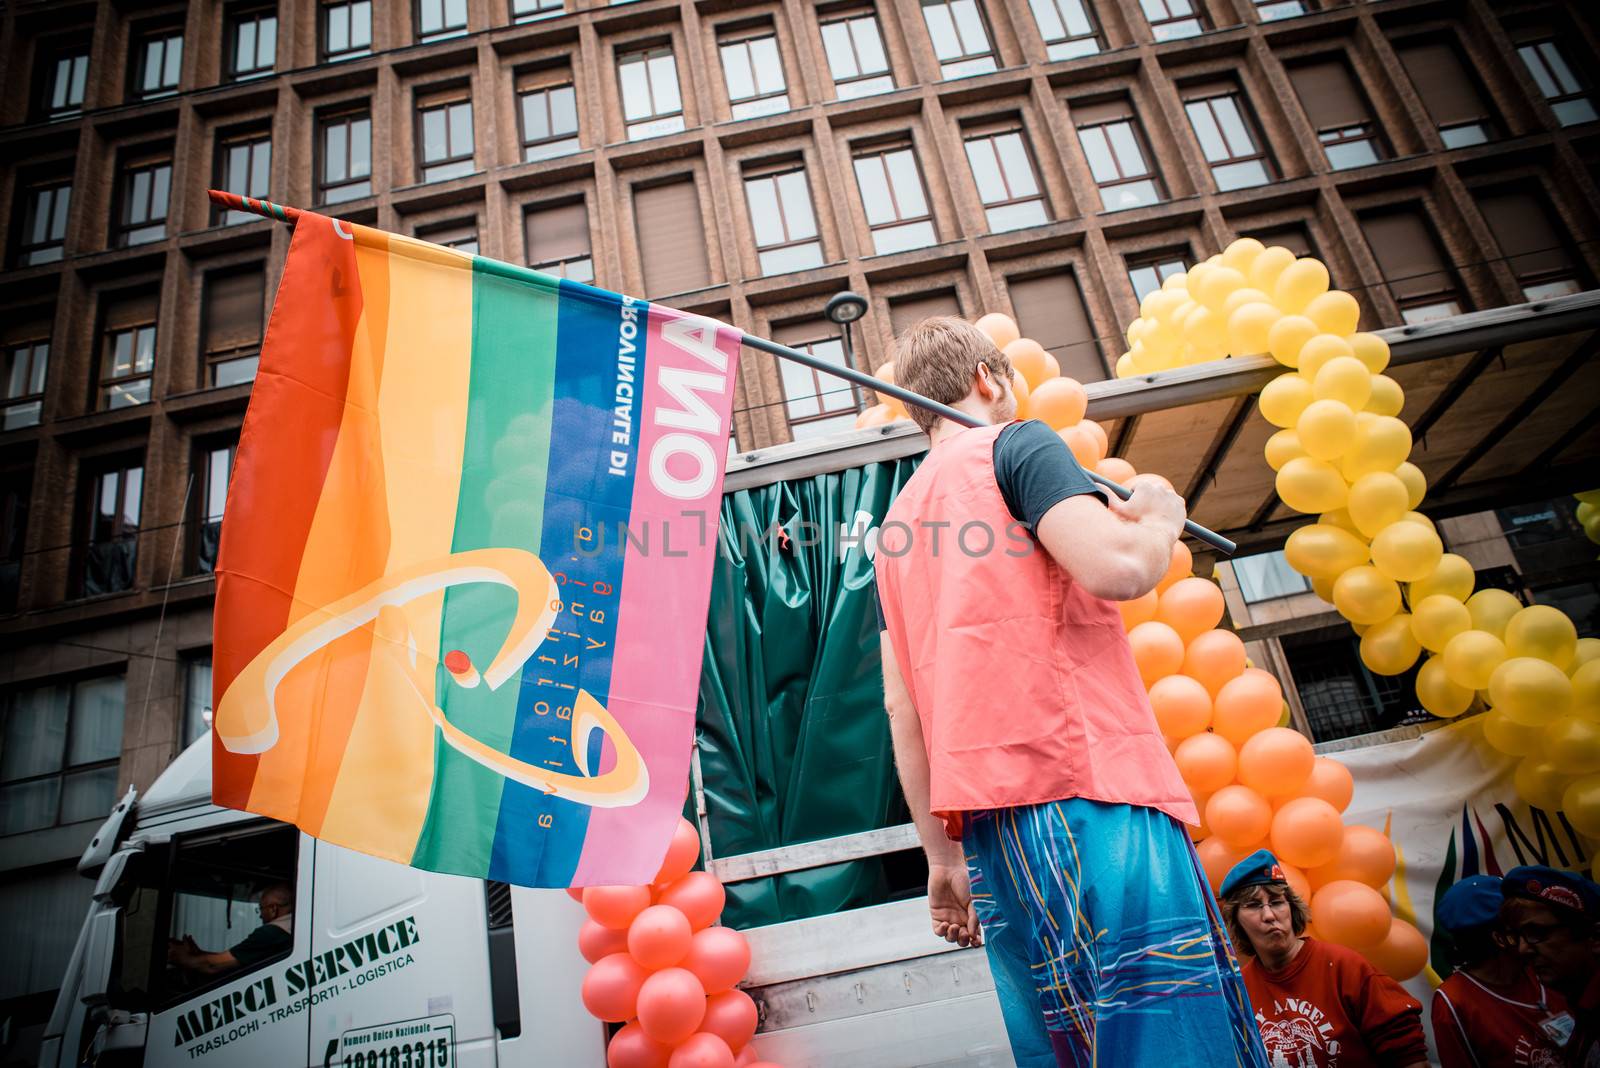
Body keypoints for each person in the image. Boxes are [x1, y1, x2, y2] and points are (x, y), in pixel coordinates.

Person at [873, 317, 1268, 1067]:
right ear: (991, 381)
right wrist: (1160, 517)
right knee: (1169, 1038)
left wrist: (943, 860)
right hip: (1091, 792)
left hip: (995, 843)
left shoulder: (893, 531)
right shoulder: (1017, 443)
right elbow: (1117, 566)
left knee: (1071, 1046)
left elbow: (904, 712)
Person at [1219, 849, 1429, 1068]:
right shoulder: (1239, 990)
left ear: (1291, 908)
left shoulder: (1345, 966)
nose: (1269, 915)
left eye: (1277, 902)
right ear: (1236, 920)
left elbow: (1410, 1056)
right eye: (1253, 906)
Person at [1432, 873, 1569, 1068]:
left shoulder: (1545, 967)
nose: (1530, 939)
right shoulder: (1455, 1001)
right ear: (1501, 937)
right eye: (1523, 926)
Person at [1500, 865, 1599, 1066]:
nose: (1522, 949)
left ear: (1595, 937)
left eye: (1537, 932)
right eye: (1517, 937)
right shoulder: (1584, 1006)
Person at [168, 882, 294, 978]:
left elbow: (212, 966)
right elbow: (240, 956)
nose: (260, 915)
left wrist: (181, 957)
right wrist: (199, 953)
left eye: (261, 909)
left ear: (273, 909)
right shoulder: (292, 926)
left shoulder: (272, 932)